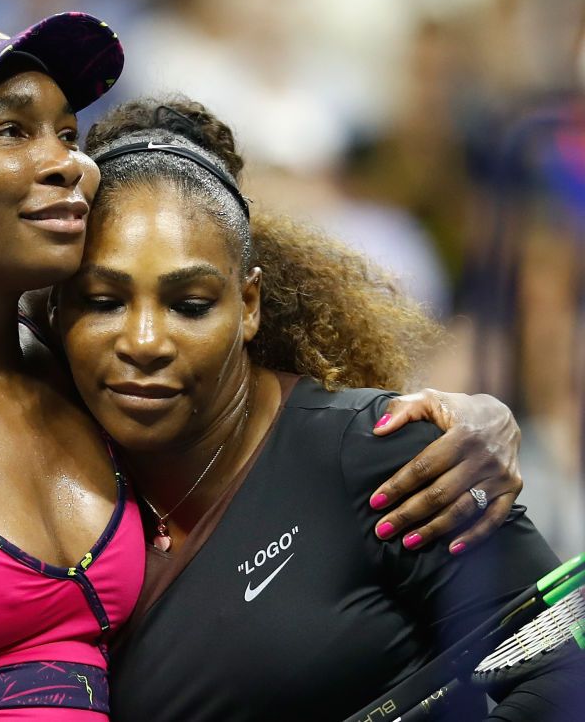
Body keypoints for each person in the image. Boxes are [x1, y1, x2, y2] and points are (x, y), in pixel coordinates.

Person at [0, 0, 523, 722]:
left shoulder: (89, 387)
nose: (66, 161)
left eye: (66, 132)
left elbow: (271, 432)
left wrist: (463, 423)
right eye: (10, 130)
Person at [49, 97, 579, 720]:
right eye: (104, 301)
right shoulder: (27, 465)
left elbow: (562, 673)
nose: (143, 342)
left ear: (248, 305)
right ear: (55, 309)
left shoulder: (387, 453)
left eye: (189, 305)